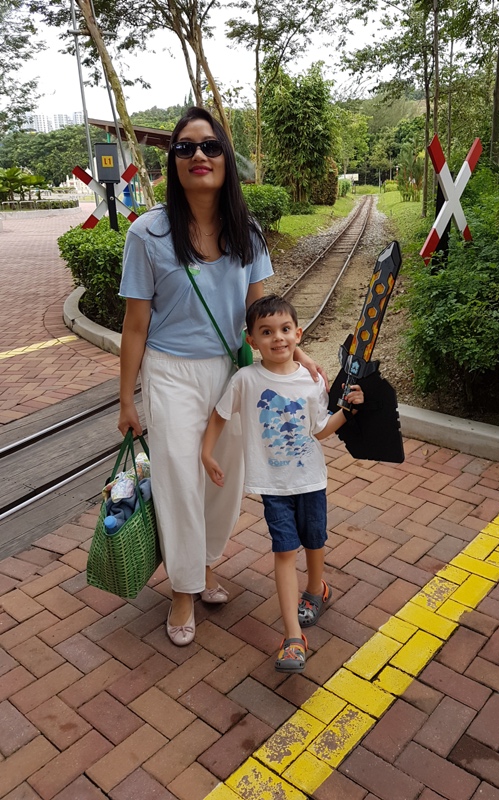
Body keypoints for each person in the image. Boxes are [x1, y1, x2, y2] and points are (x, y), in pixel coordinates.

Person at [118, 107, 324, 646]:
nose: (199, 156)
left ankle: (206, 565)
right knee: (178, 480)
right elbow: (135, 325)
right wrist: (126, 399)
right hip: (170, 372)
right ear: (173, 162)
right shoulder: (147, 233)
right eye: (185, 147)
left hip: (233, 370)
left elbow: (261, 316)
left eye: (210, 146)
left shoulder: (246, 232)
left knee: (224, 479)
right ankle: (183, 589)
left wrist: (297, 357)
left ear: (226, 159)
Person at [201, 295, 364, 672]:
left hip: (310, 480)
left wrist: (347, 411)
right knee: (285, 551)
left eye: (285, 329)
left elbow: (320, 430)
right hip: (273, 487)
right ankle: (293, 637)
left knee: (315, 539)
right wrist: (207, 453)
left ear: (298, 334)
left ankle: (316, 589)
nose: (278, 338)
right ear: (251, 340)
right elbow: (220, 415)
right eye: (267, 332)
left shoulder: (311, 382)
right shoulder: (246, 380)